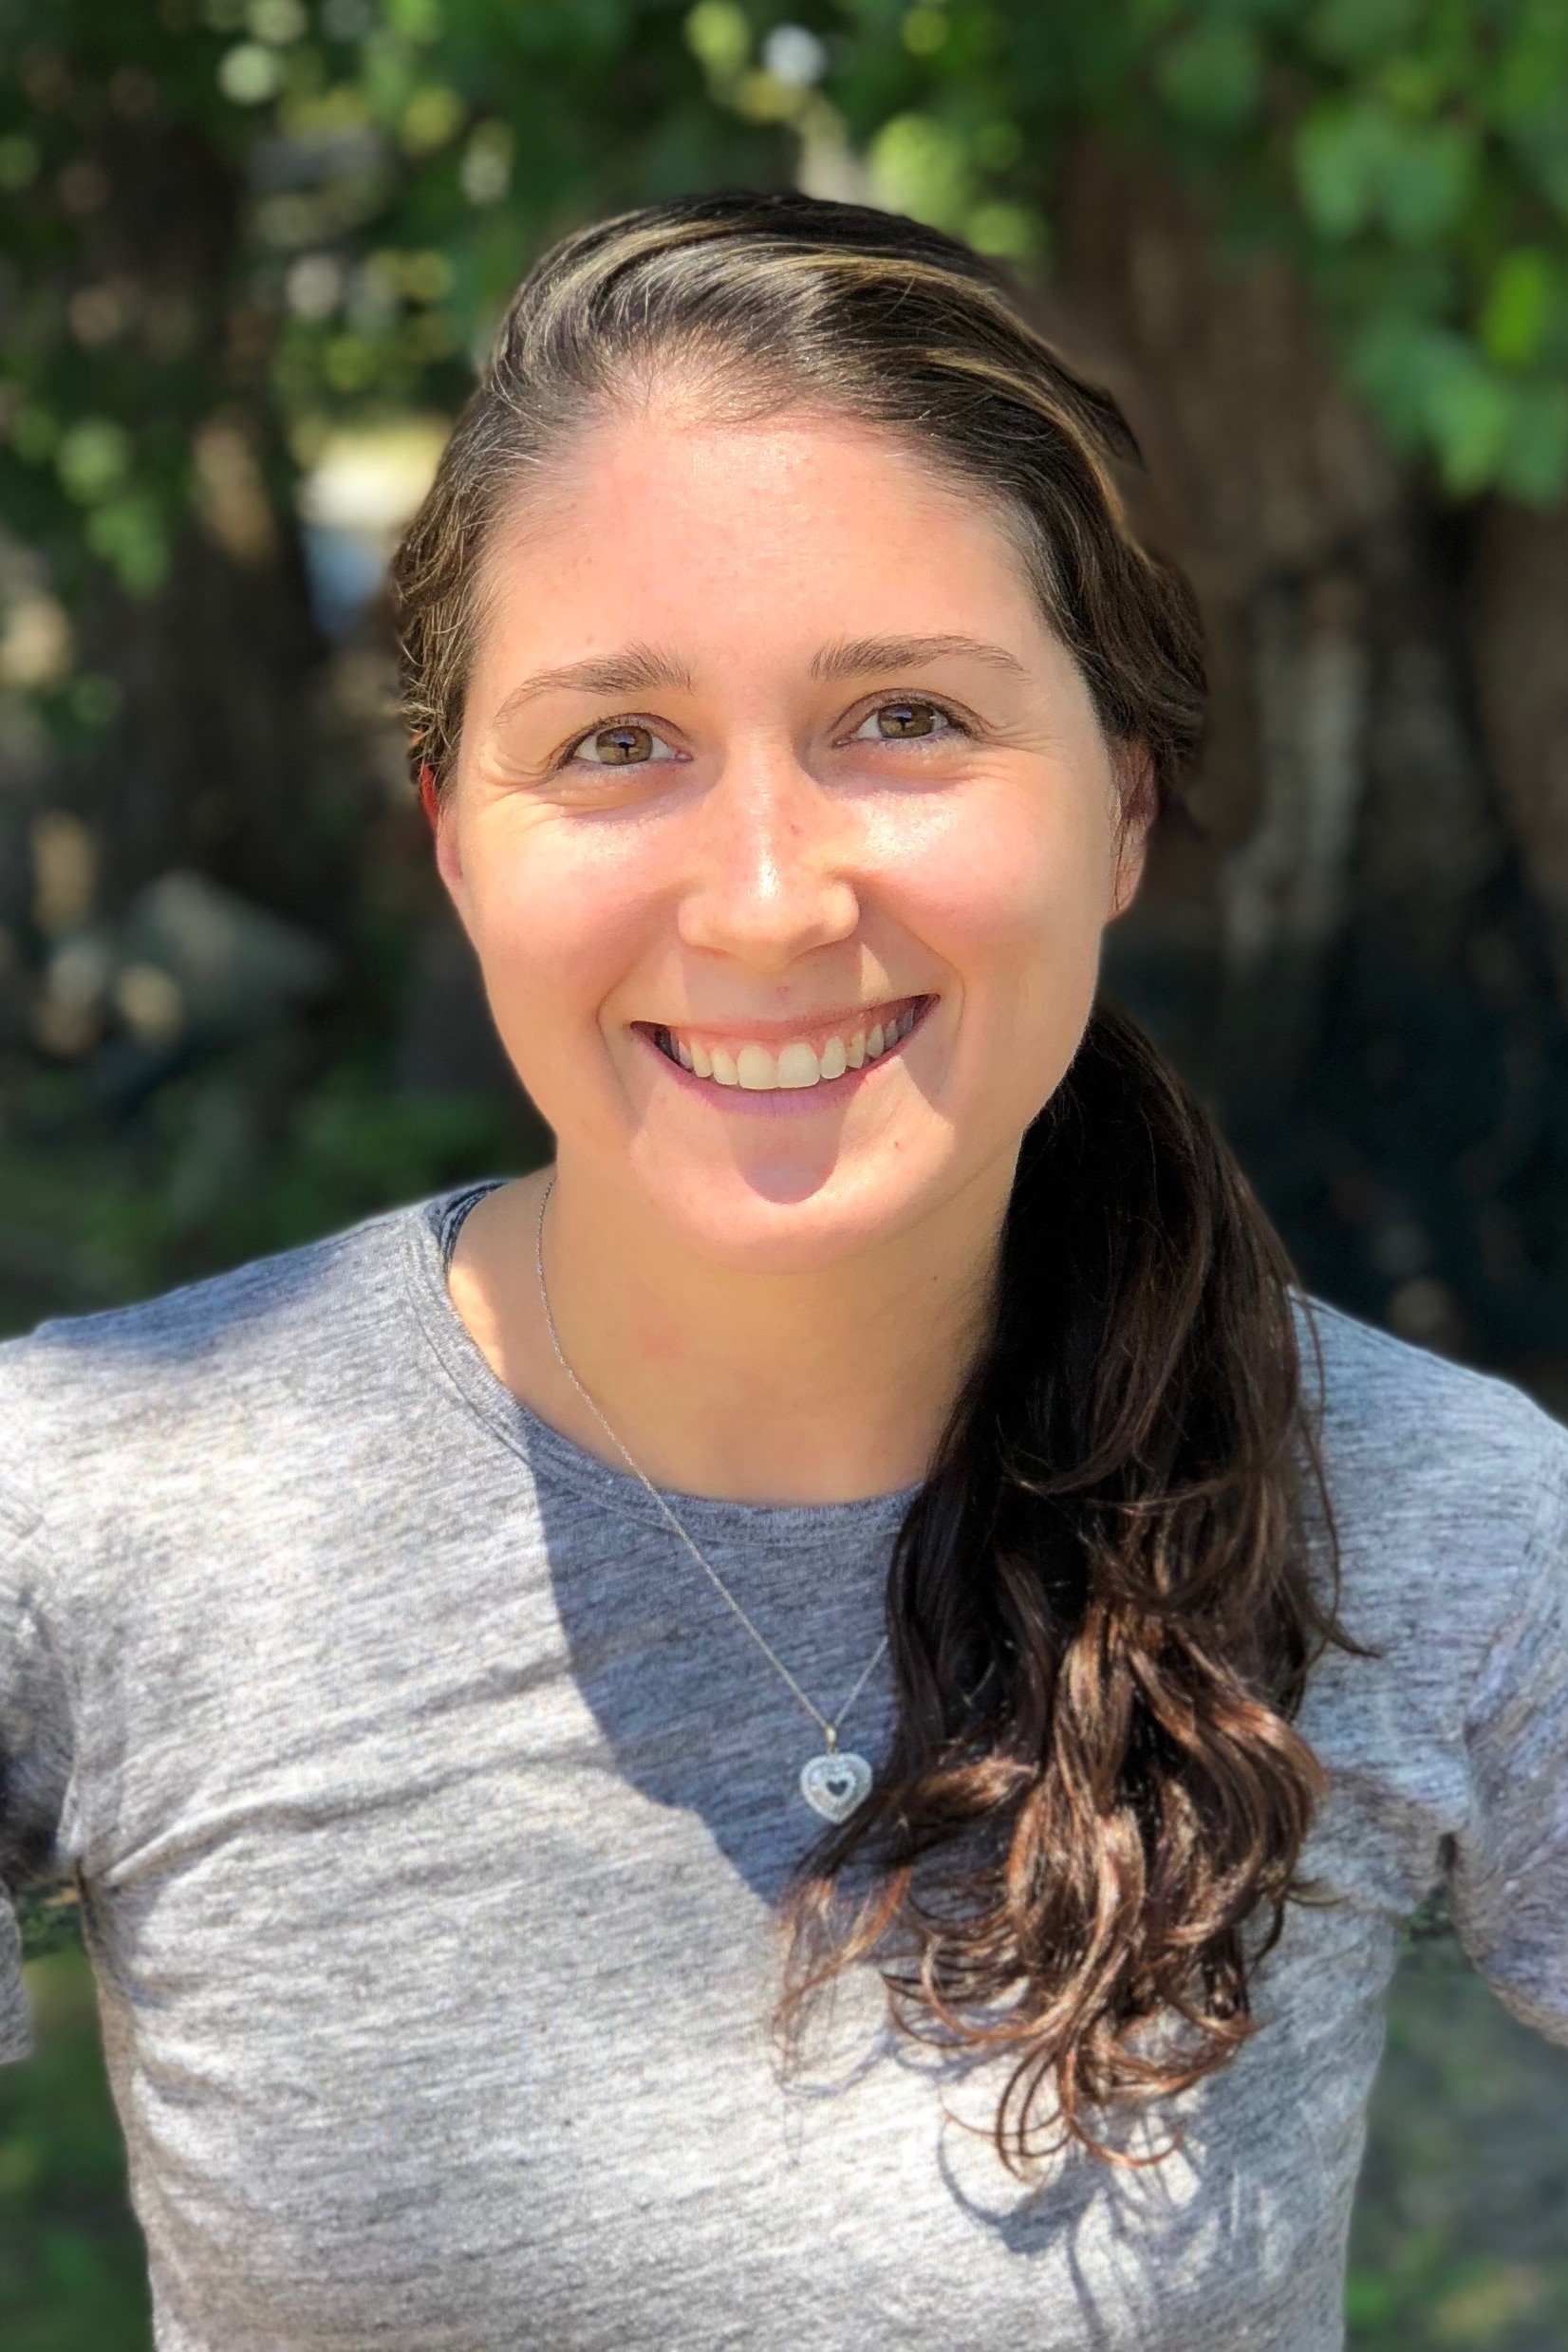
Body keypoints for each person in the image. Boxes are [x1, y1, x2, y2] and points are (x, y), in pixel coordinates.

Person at [2, 191, 1564, 2352]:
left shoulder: (1441, 1522)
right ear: (458, 836)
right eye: (615, 743)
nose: (759, 900)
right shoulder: (91, 1509)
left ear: (1122, 804)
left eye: (906, 716)